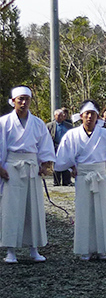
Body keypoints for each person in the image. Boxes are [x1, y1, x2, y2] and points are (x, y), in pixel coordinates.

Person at [54, 100, 106, 261]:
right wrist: (72, 167)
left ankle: (103, 249)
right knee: (84, 211)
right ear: (81, 116)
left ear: (97, 116)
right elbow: (64, 155)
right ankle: (84, 249)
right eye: (87, 114)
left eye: (93, 113)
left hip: (99, 174)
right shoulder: (72, 134)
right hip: (83, 174)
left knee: (102, 210)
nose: (90, 117)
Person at [1, 86, 56, 264]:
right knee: (11, 208)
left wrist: (45, 164)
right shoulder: (4, 122)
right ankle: (11, 250)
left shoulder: (38, 123)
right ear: (13, 101)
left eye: (27, 99)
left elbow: (45, 145)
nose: (24, 102)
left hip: (32, 166)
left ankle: (34, 248)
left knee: (33, 208)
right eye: (20, 99)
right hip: (12, 167)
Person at [47, 108, 73, 186]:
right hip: (55, 146)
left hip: (66, 147)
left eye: (61, 115)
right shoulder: (49, 125)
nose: (60, 117)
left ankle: (66, 181)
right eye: (58, 115)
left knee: (66, 163)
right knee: (56, 164)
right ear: (54, 116)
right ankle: (56, 181)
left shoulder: (69, 126)